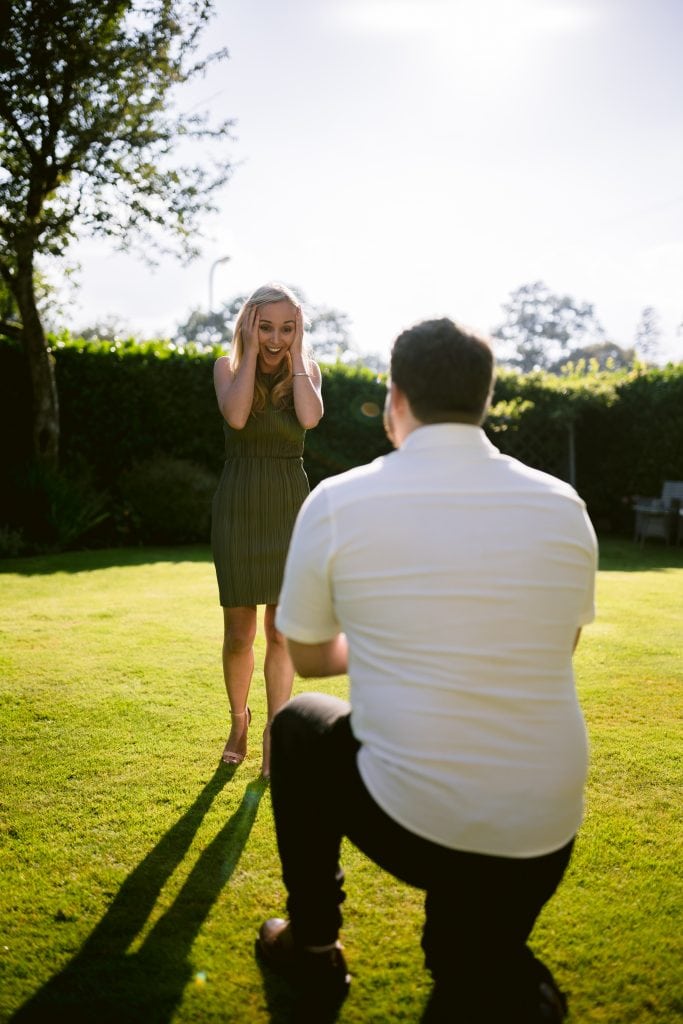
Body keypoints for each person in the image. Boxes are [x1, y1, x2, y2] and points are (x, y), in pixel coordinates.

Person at [256, 317, 597, 1022]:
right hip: (544, 827)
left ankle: (314, 945)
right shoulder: (562, 505)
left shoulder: (338, 501)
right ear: (484, 400)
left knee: (296, 725)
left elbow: (311, 657)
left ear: (394, 399)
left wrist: (382, 639)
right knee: (468, 966)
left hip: (414, 817)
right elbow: (552, 649)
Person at [210, 282, 323, 777]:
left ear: (299, 331)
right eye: (267, 327)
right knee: (240, 632)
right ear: (249, 325)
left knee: (281, 631)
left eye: (288, 328)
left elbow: (310, 417)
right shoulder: (228, 368)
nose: (277, 337)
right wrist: (252, 353)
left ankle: (277, 732)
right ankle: (239, 720)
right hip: (239, 503)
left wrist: (298, 356)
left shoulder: (307, 371)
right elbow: (236, 417)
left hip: (289, 506)